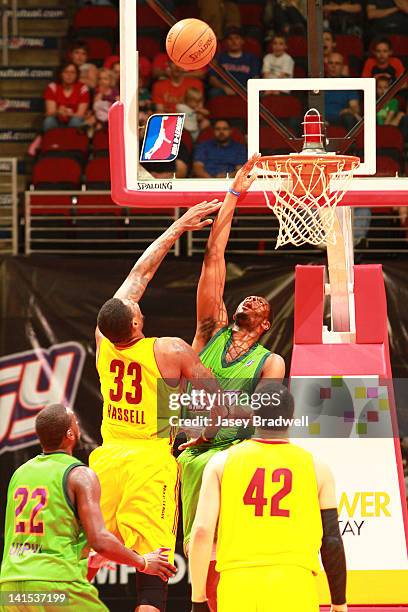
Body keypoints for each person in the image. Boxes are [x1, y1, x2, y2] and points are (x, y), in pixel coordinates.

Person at [89, 198, 229, 612]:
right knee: (155, 568)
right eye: (135, 308)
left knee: (87, 556)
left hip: (107, 460)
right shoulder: (169, 350)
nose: (137, 302)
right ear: (135, 323)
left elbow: (138, 275)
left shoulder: (103, 342)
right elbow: (215, 398)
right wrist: (204, 433)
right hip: (151, 462)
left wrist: (176, 228)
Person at [178, 155, 285, 611]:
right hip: (196, 455)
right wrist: (234, 195)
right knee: (201, 549)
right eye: (246, 298)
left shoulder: (270, 362)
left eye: (260, 303)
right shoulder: (209, 331)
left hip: (235, 456)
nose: (252, 298)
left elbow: (265, 415)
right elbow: (213, 258)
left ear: (265, 324)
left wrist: (213, 418)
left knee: (232, 553)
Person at [0, 404, 176, 612]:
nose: (78, 424)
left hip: (11, 587)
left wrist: (91, 559)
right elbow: (100, 540)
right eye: (74, 420)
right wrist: (143, 561)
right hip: (55, 584)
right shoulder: (79, 474)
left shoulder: (20, 474)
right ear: (70, 433)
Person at [189, 383, 348, 612]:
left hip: (238, 585)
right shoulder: (317, 468)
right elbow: (332, 540)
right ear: (291, 419)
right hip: (294, 584)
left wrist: (198, 599)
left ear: (253, 416)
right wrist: (339, 602)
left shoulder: (221, 462)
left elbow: (202, 531)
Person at [209, 27, 260, 98]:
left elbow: (255, 78)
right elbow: (212, 79)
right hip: (224, 89)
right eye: (230, 39)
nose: (234, 41)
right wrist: (224, 88)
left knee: (258, 94)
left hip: (245, 89)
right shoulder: (219, 57)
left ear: (242, 41)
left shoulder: (251, 58)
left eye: (237, 38)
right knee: (214, 92)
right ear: (226, 42)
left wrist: (247, 90)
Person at [43, 62, 90, 132]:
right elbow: (49, 112)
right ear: (61, 74)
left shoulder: (82, 88)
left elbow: (81, 114)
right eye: (66, 72)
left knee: (75, 121)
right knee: (49, 121)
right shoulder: (52, 87)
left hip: (75, 118)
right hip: (57, 119)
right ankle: (51, 142)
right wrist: (58, 112)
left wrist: (69, 114)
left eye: (72, 72)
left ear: (77, 75)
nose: (69, 75)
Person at [324, 53, 361, 130]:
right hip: (321, 118)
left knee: (349, 118)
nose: (333, 66)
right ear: (327, 65)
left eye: (337, 63)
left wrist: (348, 110)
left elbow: (355, 107)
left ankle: (351, 142)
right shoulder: (318, 82)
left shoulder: (348, 83)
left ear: (342, 67)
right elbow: (312, 106)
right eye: (331, 63)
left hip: (341, 119)